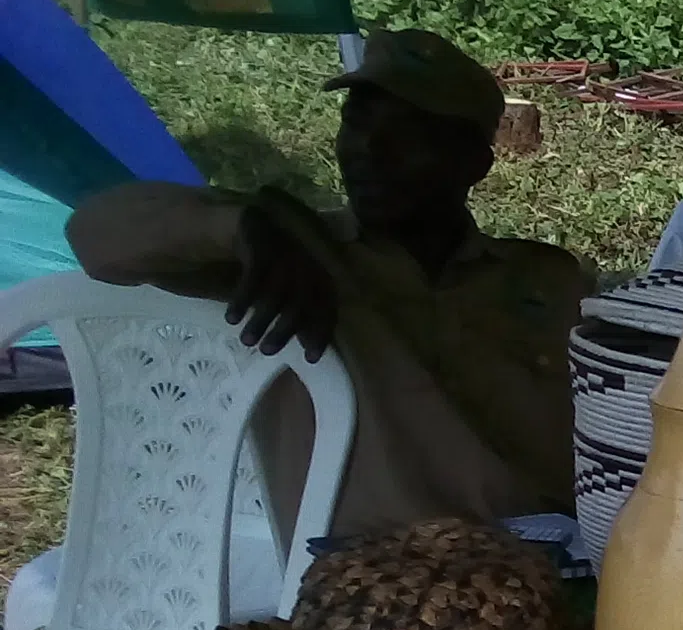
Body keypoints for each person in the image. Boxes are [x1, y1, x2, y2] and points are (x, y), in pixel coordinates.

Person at [67, 30, 587, 535]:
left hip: (555, 558)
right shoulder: (296, 253)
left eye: (408, 134)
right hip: (378, 583)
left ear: (475, 163)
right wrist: (237, 226)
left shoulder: (546, 279)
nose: (368, 149)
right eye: (355, 124)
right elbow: (94, 230)